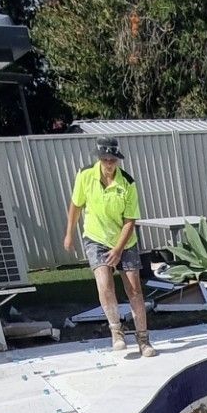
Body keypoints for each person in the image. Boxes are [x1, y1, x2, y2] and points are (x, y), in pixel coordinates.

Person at [64, 139, 156, 358]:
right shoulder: (85, 175)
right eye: (105, 159)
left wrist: (118, 249)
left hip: (125, 241)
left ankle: (143, 339)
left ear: (117, 160)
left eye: (112, 160)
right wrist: (69, 233)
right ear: (99, 158)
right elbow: (76, 205)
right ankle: (116, 331)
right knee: (104, 284)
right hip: (95, 238)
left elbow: (130, 221)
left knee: (134, 288)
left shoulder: (127, 183)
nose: (108, 163)